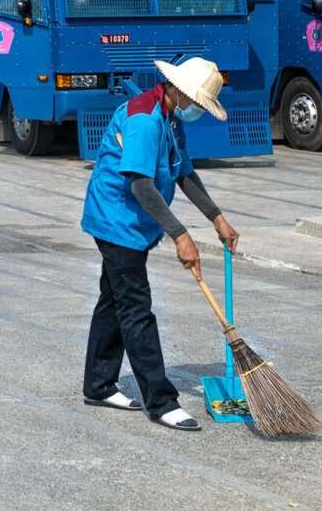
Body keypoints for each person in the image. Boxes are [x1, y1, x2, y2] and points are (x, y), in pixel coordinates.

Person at [80, 56, 241, 432]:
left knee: (114, 300)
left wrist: (216, 217)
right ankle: (161, 401)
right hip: (116, 221)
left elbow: (183, 172)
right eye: (199, 103)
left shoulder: (170, 118)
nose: (199, 110)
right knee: (136, 309)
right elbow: (139, 183)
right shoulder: (143, 120)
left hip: (134, 223)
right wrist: (180, 235)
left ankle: (99, 384)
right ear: (180, 92)